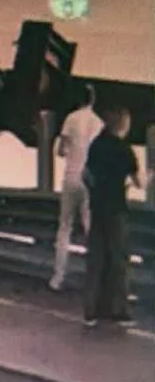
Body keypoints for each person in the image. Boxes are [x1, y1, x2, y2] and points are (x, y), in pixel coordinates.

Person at [81, 105, 141, 328]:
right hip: (117, 209)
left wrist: (96, 192)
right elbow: (139, 182)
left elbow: (85, 175)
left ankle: (91, 310)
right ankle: (118, 310)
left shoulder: (96, 145)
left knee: (96, 258)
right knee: (118, 260)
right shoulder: (125, 150)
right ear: (123, 125)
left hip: (98, 208)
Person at [51, 84, 104, 291]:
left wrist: (66, 148)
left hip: (71, 177)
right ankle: (94, 279)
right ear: (93, 100)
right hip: (90, 181)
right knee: (91, 230)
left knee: (65, 227)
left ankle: (57, 278)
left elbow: (61, 150)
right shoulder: (99, 123)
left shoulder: (71, 119)